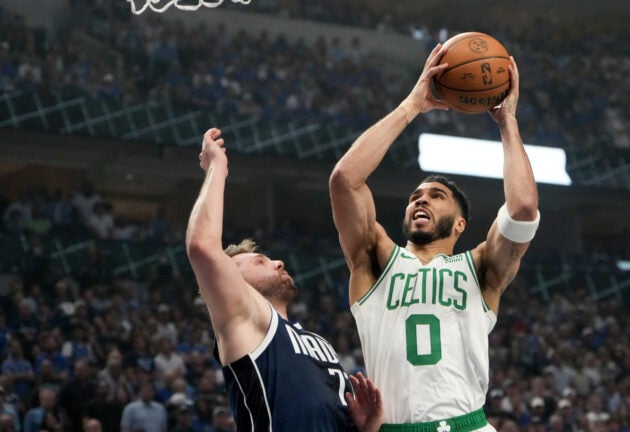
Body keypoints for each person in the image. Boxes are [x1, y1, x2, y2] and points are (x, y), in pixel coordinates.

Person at [329, 43, 539, 431]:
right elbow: (345, 180)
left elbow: (523, 209)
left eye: (436, 196)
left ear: (460, 224)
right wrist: (412, 105)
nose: (421, 199)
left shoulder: (480, 267)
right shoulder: (374, 259)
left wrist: (507, 120)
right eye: (415, 196)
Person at [185, 128, 382, 432]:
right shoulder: (245, 319)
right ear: (231, 281)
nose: (278, 262)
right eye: (260, 261)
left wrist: (365, 427)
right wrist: (217, 168)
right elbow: (202, 247)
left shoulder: (317, 342)